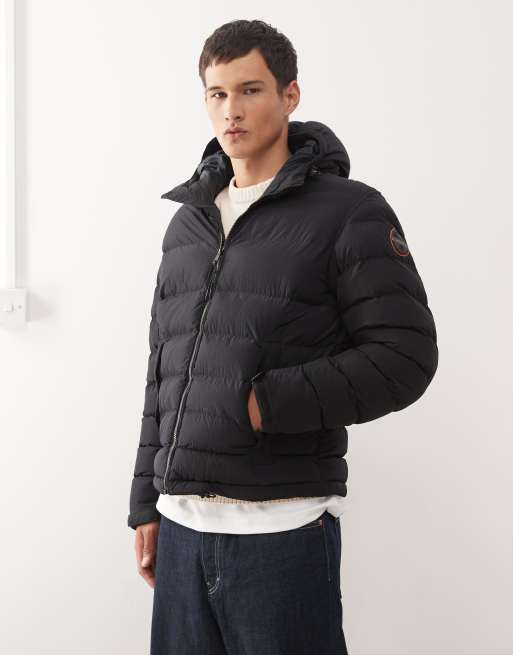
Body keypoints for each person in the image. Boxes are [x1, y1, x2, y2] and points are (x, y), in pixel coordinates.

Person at [127, 19, 439, 655]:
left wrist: (264, 404)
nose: (232, 111)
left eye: (250, 90)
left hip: (281, 531)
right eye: (217, 94)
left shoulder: (349, 212)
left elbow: (404, 356)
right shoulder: (188, 224)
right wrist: (145, 503)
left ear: (289, 95)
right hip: (180, 529)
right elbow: (163, 373)